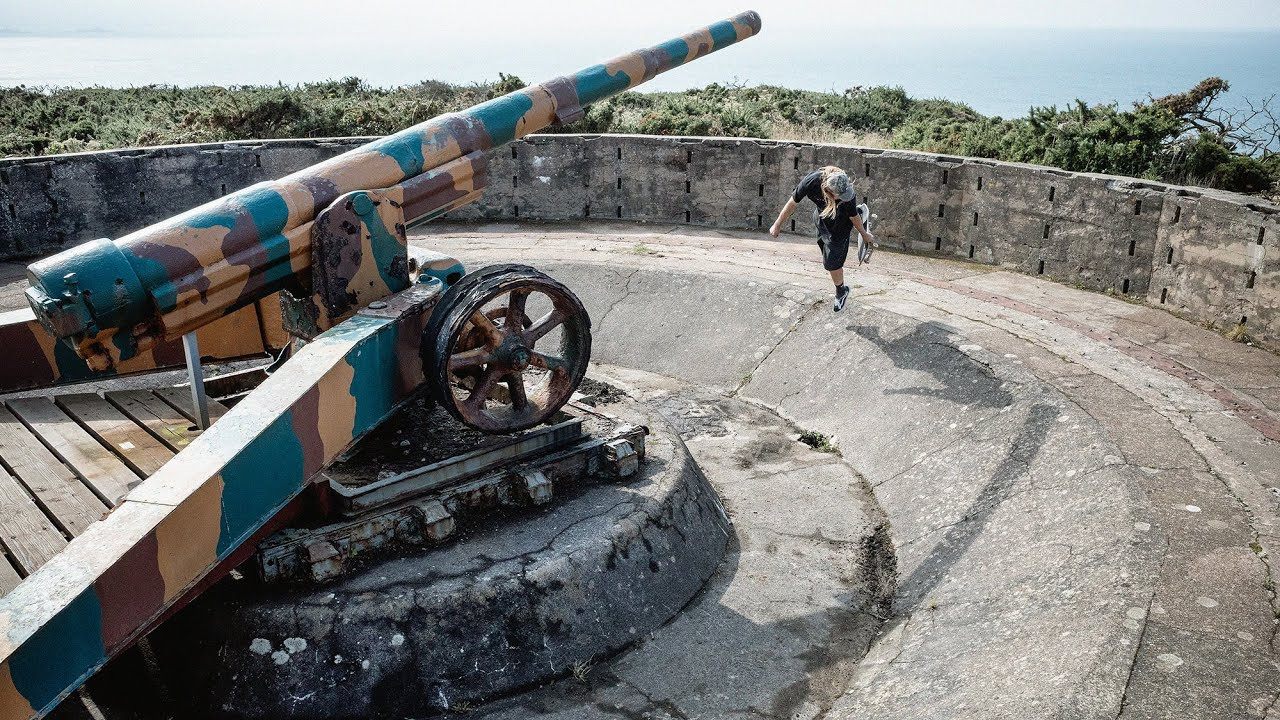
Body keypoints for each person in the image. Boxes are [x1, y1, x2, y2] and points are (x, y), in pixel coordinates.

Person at [768, 166, 875, 312]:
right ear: (828, 191)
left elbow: (852, 216)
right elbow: (792, 202)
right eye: (839, 196)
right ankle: (840, 286)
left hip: (842, 223)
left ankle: (841, 291)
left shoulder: (848, 192)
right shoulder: (811, 182)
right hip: (822, 218)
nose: (843, 197)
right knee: (826, 255)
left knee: (831, 263)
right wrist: (777, 224)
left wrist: (864, 234)